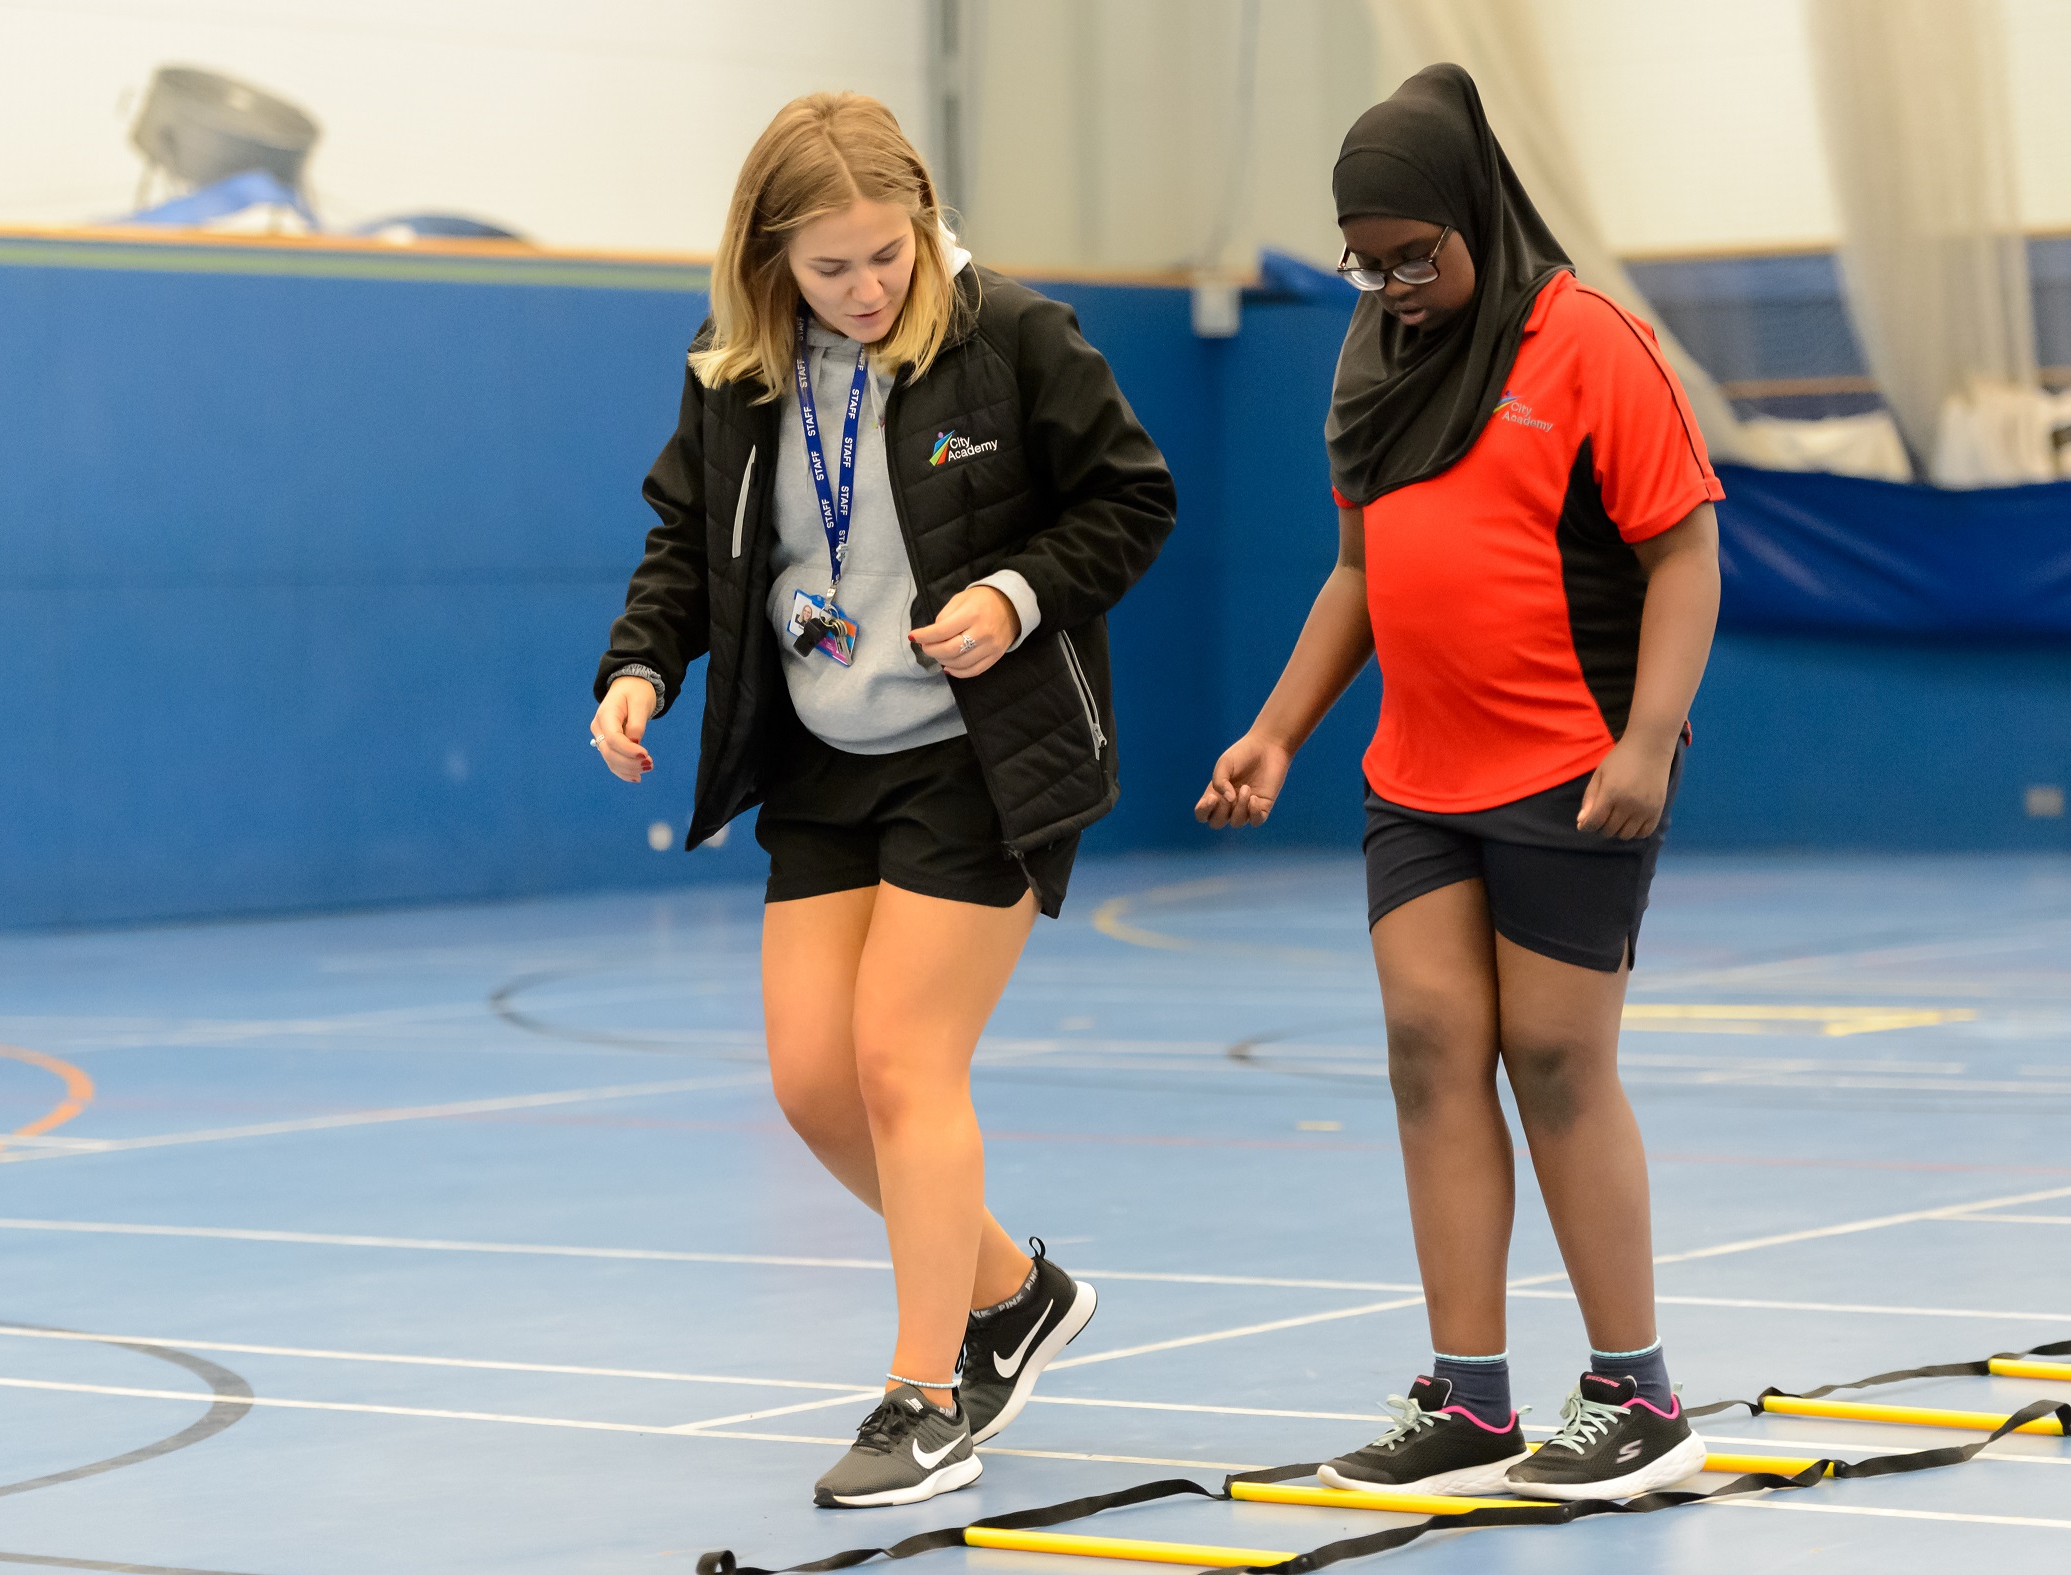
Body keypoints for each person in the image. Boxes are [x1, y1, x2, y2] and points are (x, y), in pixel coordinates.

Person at [592, 91, 1174, 1508]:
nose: (866, 289)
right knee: (813, 1086)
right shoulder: (736, 370)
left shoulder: (1015, 336)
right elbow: (688, 539)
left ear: (924, 225)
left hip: (982, 753)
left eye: (889, 256)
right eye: (830, 267)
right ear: (769, 262)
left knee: (907, 1065)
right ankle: (1015, 1294)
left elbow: (1131, 500)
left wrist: (1015, 595)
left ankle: (928, 1400)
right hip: (821, 753)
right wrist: (641, 666)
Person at [1197, 64, 1722, 1501]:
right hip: (1419, 776)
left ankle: (1638, 1395)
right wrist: (1279, 731)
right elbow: (1359, 574)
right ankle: (1472, 1401)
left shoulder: (1590, 342)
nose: (1394, 288)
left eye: (1413, 257)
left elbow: (1685, 550)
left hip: (1572, 765)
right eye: (1367, 264)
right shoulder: (1373, 356)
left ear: (1475, 215)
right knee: (1430, 1048)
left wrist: (1648, 739)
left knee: (1556, 1060)